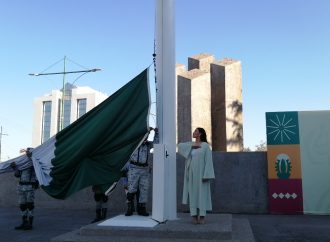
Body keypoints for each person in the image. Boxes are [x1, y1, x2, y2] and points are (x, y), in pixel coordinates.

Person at [178, 127, 215, 224]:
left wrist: (207, 174)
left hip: (202, 174)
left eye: (196, 131)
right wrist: (192, 146)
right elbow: (180, 146)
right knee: (193, 194)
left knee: (202, 194)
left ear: (200, 134)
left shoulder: (205, 146)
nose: (194, 132)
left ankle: (202, 216)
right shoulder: (191, 144)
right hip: (191, 174)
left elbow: (209, 161)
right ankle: (194, 216)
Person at [125, 127, 159, 216]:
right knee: (131, 189)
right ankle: (130, 208)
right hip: (134, 168)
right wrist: (146, 129)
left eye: (147, 136)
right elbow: (129, 137)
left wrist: (156, 133)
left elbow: (156, 143)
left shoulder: (148, 145)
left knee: (144, 189)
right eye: (144, 136)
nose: (146, 138)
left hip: (144, 169)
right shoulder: (134, 144)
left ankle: (142, 209)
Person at [10, 147, 39, 230]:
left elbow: (38, 168)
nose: (27, 153)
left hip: (30, 186)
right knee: (22, 205)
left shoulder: (34, 162)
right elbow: (17, 175)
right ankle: (24, 222)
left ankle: (30, 224)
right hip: (21, 187)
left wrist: (31, 157)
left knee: (30, 205)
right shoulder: (22, 164)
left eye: (28, 152)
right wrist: (15, 168)